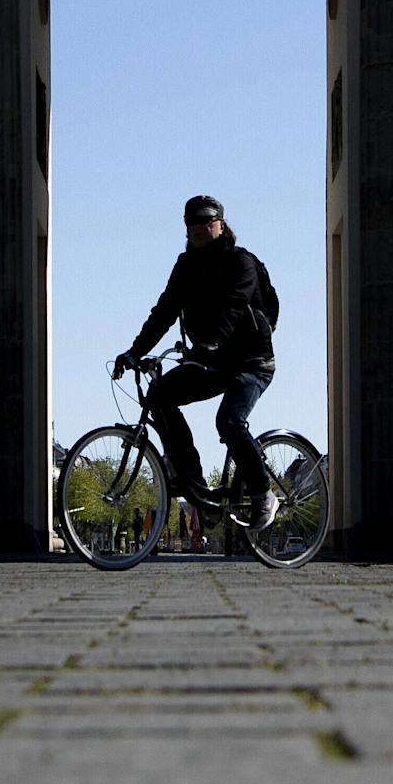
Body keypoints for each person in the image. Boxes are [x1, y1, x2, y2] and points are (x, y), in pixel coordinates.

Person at [114, 194, 279, 531]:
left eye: (208, 220)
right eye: (193, 222)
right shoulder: (185, 266)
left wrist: (212, 342)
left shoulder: (241, 262)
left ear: (221, 224)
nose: (200, 227)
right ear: (186, 228)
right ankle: (197, 488)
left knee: (229, 422)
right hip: (211, 362)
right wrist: (134, 351)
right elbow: (164, 311)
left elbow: (234, 307)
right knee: (159, 396)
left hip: (251, 362)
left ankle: (264, 494)